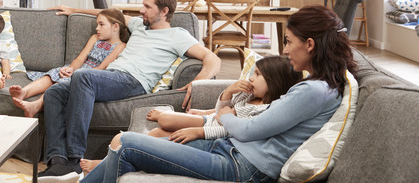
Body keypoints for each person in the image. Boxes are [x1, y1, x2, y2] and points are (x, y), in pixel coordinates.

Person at [81, 5, 357, 183]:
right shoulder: (319, 86)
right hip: (230, 151)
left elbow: (250, 130)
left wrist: (223, 116)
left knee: (128, 144)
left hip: (242, 166)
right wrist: (224, 114)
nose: (284, 50)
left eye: (287, 42)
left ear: (309, 45)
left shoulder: (314, 90)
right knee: (126, 149)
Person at [38, 0, 221, 182]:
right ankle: (57, 162)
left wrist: (198, 82)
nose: (141, 10)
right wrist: (73, 10)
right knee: (54, 92)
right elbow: (108, 13)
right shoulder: (138, 25)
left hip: (133, 81)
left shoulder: (177, 35)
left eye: (148, 7)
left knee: (83, 76)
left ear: (164, 11)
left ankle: (74, 161)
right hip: (109, 77)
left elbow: (213, 59)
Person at [79, 55, 302, 174]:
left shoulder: (265, 109)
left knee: (125, 142)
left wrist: (203, 129)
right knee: (136, 140)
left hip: (225, 146)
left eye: (259, 75)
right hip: (222, 144)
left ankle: (100, 165)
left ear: (275, 82)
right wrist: (228, 93)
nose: (251, 78)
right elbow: (220, 113)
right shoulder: (245, 97)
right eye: (253, 72)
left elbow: (231, 127)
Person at [10, 8, 130, 117]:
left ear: (115, 27)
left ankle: (36, 105)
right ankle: (24, 92)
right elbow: (80, 59)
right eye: (97, 24)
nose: (97, 28)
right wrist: (71, 69)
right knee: (55, 73)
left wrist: (77, 74)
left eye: (101, 24)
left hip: (91, 75)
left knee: (64, 82)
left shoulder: (121, 46)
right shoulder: (95, 38)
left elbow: (101, 68)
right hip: (79, 69)